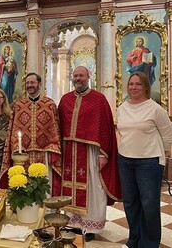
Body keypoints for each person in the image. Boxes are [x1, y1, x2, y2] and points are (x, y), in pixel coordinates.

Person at [58, 66, 121, 242]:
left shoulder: (99, 100)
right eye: (75, 75)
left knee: (94, 188)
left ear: (88, 77)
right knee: (68, 186)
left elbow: (106, 130)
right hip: (69, 151)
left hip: (91, 152)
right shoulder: (65, 100)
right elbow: (58, 126)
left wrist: (104, 154)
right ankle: (71, 223)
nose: (78, 78)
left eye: (81, 75)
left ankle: (90, 225)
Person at [117, 72, 172, 248]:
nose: (134, 87)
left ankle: (149, 243)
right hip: (125, 160)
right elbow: (122, 132)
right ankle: (134, 239)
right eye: (131, 84)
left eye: (138, 84)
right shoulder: (122, 107)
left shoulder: (155, 109)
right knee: (130, 203)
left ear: (146, 87)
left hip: (148, 163)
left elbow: (168, 138)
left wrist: (153, 152)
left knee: (149, 205)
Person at [0, 73, 61, 195]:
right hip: (22, 154)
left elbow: (56, 129)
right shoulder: (19, 105)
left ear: (39, 84)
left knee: (43, 188)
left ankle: (45, 211)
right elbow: (13, 129)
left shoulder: (50, 104)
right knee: (23, 186)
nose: (30, 85)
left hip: (44, 153)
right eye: (27, 83)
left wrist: (53, 148)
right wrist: (16, 147)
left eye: (32, 83)